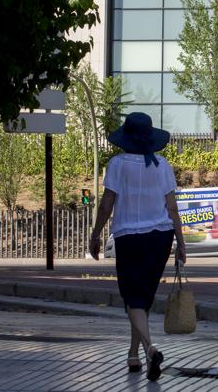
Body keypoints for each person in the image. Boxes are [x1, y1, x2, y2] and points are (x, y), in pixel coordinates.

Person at [88, 112, 186, 381]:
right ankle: (134, 355)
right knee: (141, 299)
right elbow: (172, 208)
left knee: (133, 299)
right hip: (161, 237)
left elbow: (106, 205)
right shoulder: (162, 165)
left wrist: (95, 235)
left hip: (129, 236)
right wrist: (180, 242)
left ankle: (151, 350)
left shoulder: (117, 164)